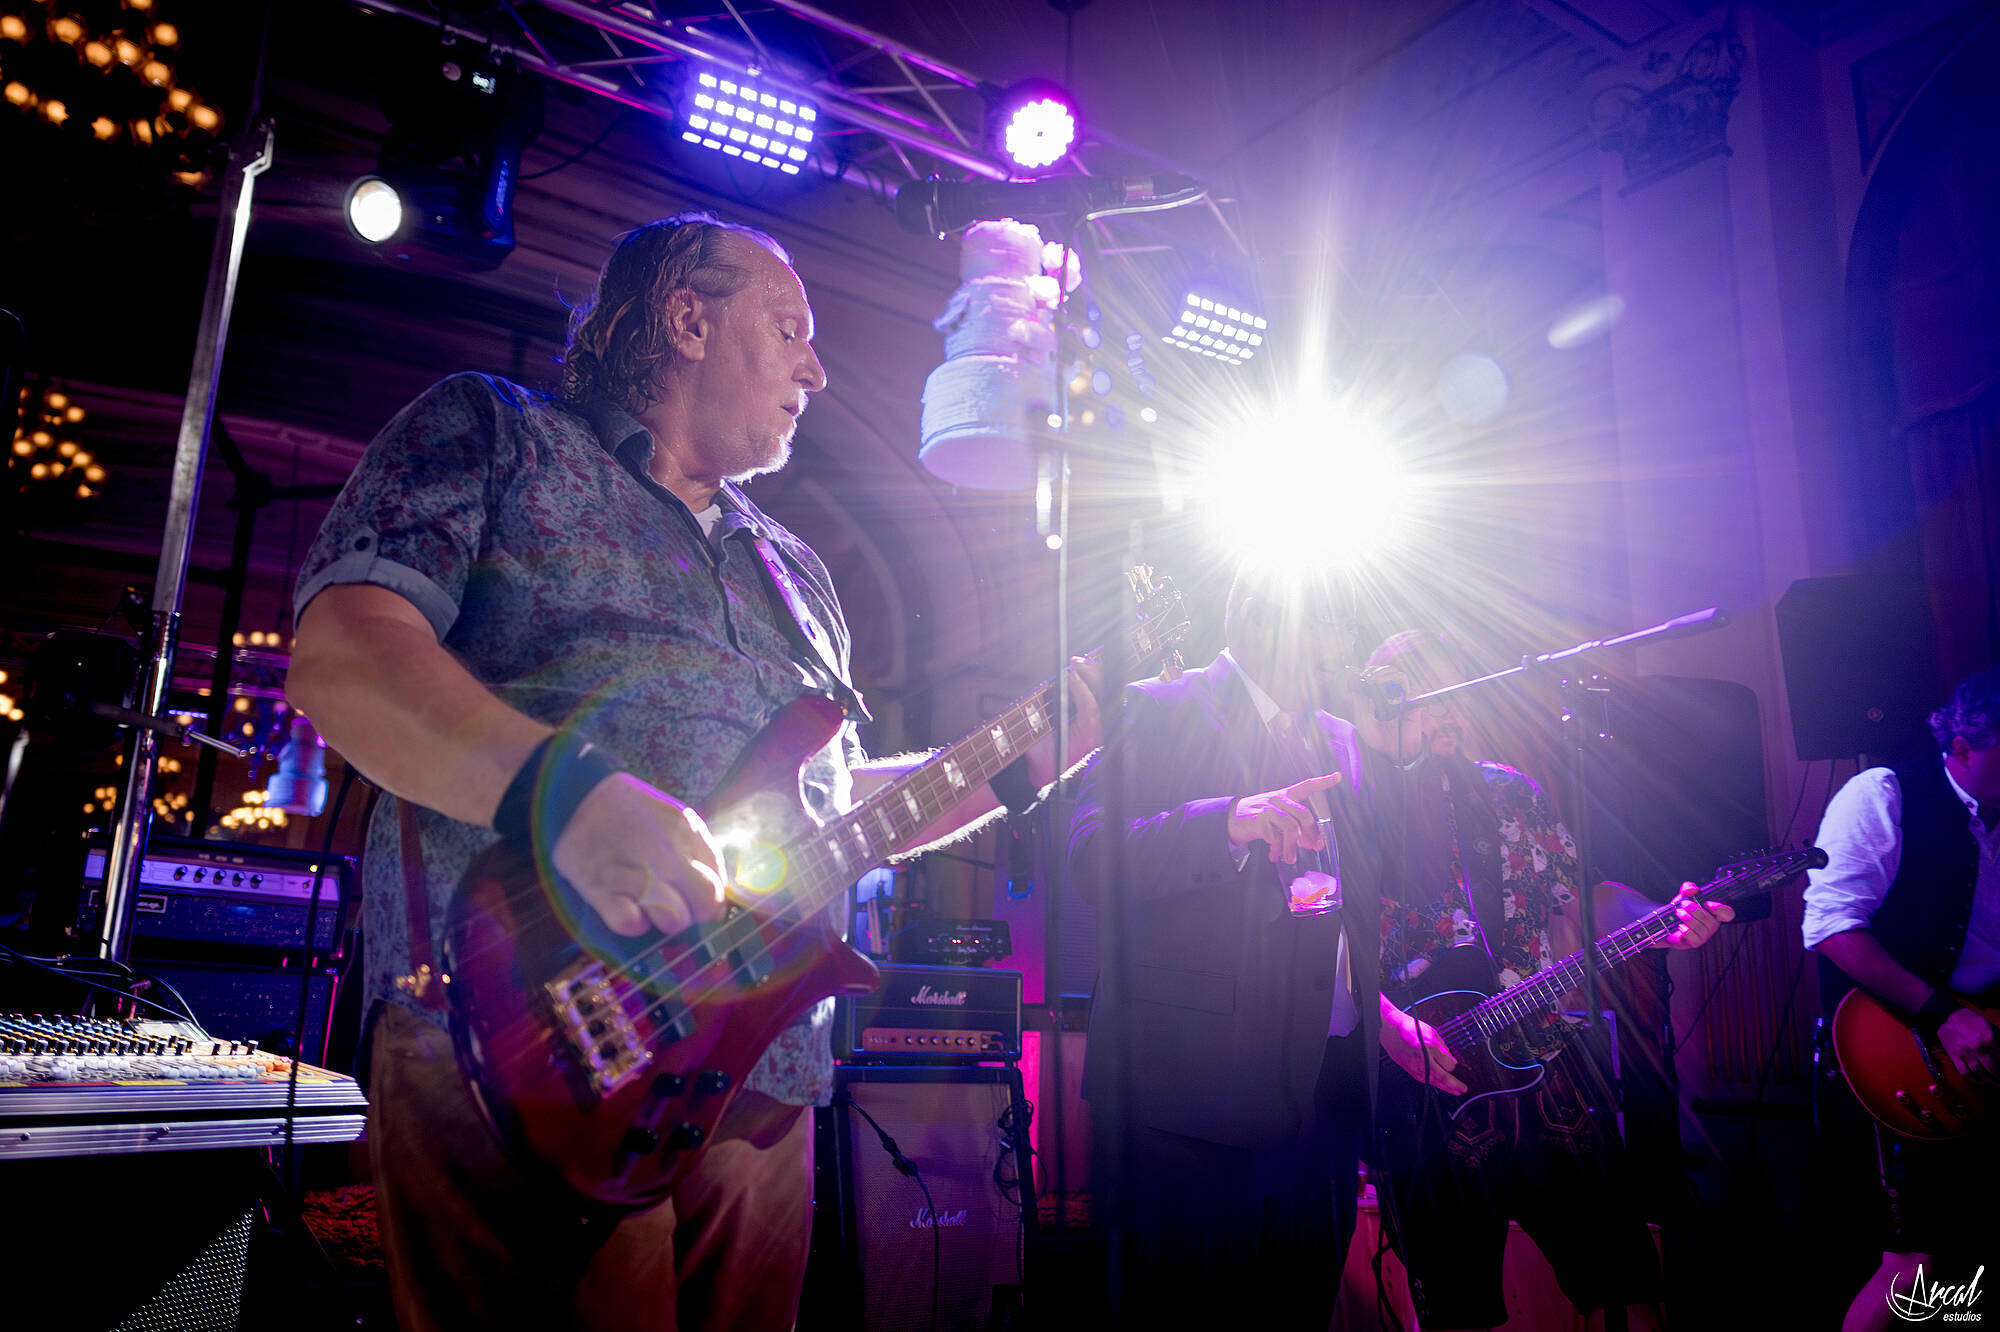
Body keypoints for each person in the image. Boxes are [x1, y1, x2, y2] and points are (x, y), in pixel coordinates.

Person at [287, 211, 1093, 1331]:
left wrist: (1025, 760)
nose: (817, 367)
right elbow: (344, 654)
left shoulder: (797, 571)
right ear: (686, 319)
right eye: (787, 328)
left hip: (760, 1081)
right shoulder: (496, 432)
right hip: (530, 1040)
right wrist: (564, 793)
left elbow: (831, 810)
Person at [1063, 566, 1452, 1327]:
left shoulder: (1340, 737)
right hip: (1188, 1108)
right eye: (1331, 635)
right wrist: (1230, 820)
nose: (1340, 657)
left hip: (1326, 1102)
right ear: (1262, 623)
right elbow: (1089, 855)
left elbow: (1362, 895)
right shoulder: (1159, 706)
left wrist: (1385, 1018)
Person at [1356, 629, 1731, 1332]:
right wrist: (1389, 1024)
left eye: (1453, 696)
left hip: (1549, 1064)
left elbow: (1577, 899)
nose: (1447, 715)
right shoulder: (1355, 809)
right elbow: (1327, 946)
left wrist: (1664, 916)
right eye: (1424, 700)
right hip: (1433, 1082)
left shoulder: (1507, 792)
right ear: (1383, 708)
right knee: (1459, 1307)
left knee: (1626, 1282)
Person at [1804, 667, 1999, 1332]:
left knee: (1967, 1264)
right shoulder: (1885, 793)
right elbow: (1830, 927)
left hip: (1986, 1045)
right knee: (1914, 1266)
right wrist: (1943, 1016)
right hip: (1905, 1048)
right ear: (1965, 747)